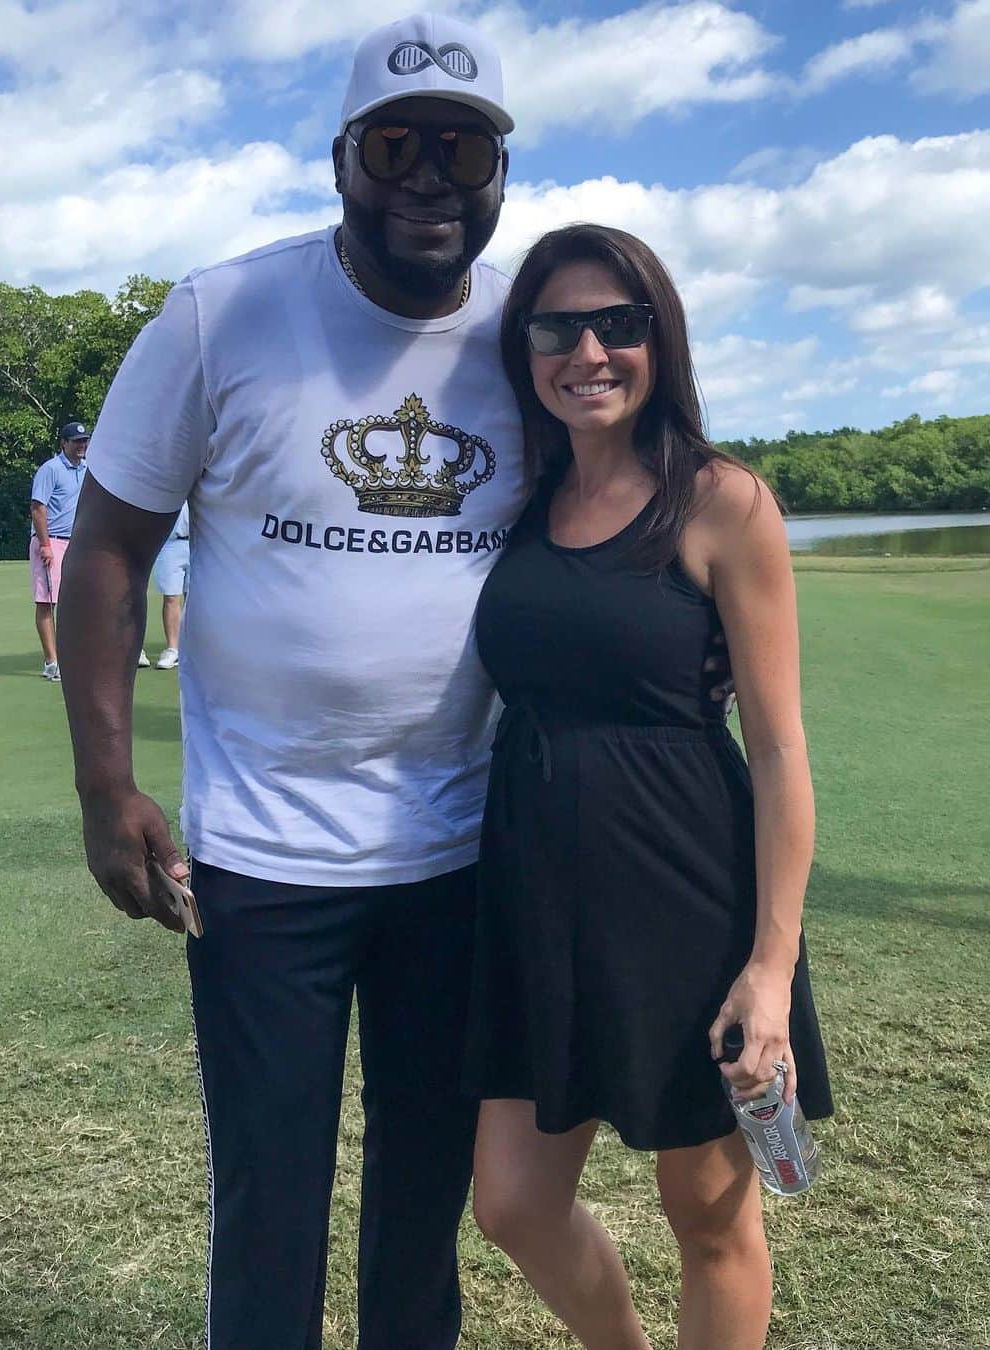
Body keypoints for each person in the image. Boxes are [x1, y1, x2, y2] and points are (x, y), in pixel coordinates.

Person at [58, 17, 731, 1348]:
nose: (429, 174)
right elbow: (108, 551)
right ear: (342, 161)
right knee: (271, 1196)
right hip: (263, 855)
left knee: (425, 1200)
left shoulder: (528, 337)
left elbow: (624, 491)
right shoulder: (222, 312)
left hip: (463, 850)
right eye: (397, 144)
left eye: (463, 148)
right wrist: (103, 782)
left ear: (499, 177)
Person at [462, 224, 833, 1350]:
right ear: (525, 350)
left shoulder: (722, 501)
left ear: (657, 340)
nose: (588, 349)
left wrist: (769, 968)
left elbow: (777, 752)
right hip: (536, 897)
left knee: (707, 1215)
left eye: (616, 325)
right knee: (514, 1202)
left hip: (689, 900)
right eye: (556, 326)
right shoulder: (522, 499)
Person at [30, 420, 89, 680]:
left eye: (84, 441)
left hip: (75, 543)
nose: (82, 445)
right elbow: (37, 508)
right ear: (63, 443)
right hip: (50, 541)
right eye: (76, 441)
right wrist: (44, 545)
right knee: (47, 602)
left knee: (73, 602)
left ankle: (70, 657)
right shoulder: (50, 469)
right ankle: (51, 662)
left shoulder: (87, 469)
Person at [150, 499, 189, 669]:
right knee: (171, 596)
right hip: (170, 543)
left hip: (198, 541)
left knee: (197, 597)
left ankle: (193, 648)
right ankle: (173, 648)